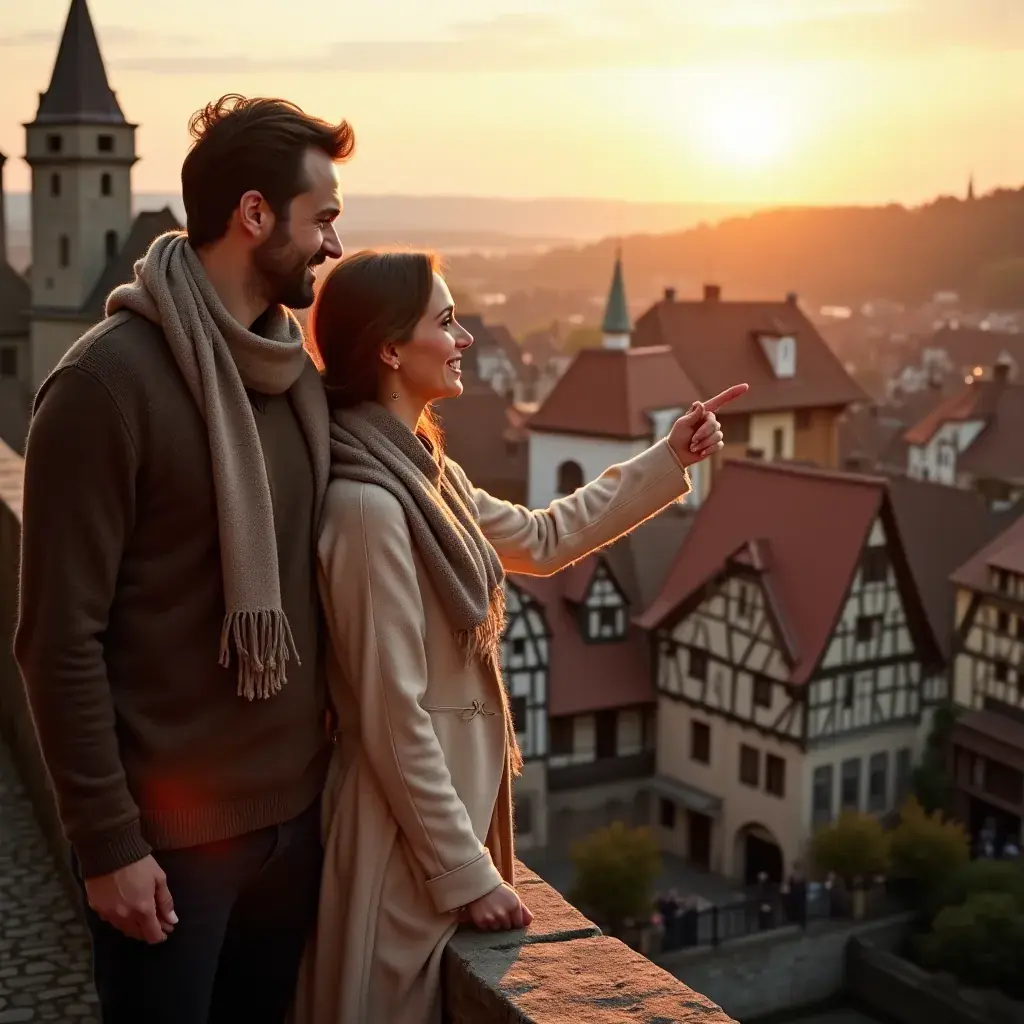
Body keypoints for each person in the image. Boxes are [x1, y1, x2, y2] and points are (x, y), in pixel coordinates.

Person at [291, 249, 748, 1024]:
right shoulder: (368, 508)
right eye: (446, 320)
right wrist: (467, 874)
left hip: (432, 845)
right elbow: (389, 717)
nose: (464, 336)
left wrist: (668, 457)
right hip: (399, 856)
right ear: (390, 349)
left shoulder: (425, 474)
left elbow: (542, 538)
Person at [15, 95, 353, 1023]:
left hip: (297, 828)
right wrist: (108, 844)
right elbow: (57, 640)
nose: (332, 243)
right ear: (254, 215)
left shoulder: (293, 378)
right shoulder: (103, 385)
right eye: (321, 217)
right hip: (166, 852)